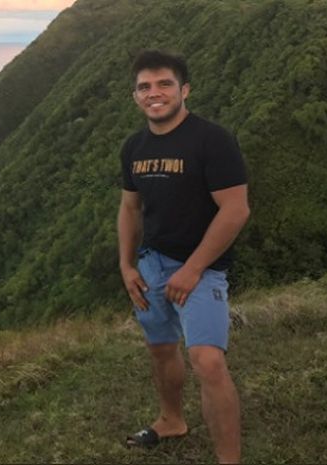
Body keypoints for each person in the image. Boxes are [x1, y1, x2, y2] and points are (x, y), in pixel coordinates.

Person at [118, 49, 250, 464]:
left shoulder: (212, 140)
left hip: (203, 267)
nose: (154, 93)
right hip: (152, 263)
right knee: (161, 348)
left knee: (207, 361)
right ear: (135, 95)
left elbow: (236, 210)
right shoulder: (134, 147)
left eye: (164, 84)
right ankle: (171, 420)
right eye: (145, 87)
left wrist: (193, 270)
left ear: (184, 89)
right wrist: (126, 265)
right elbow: (130, 208)